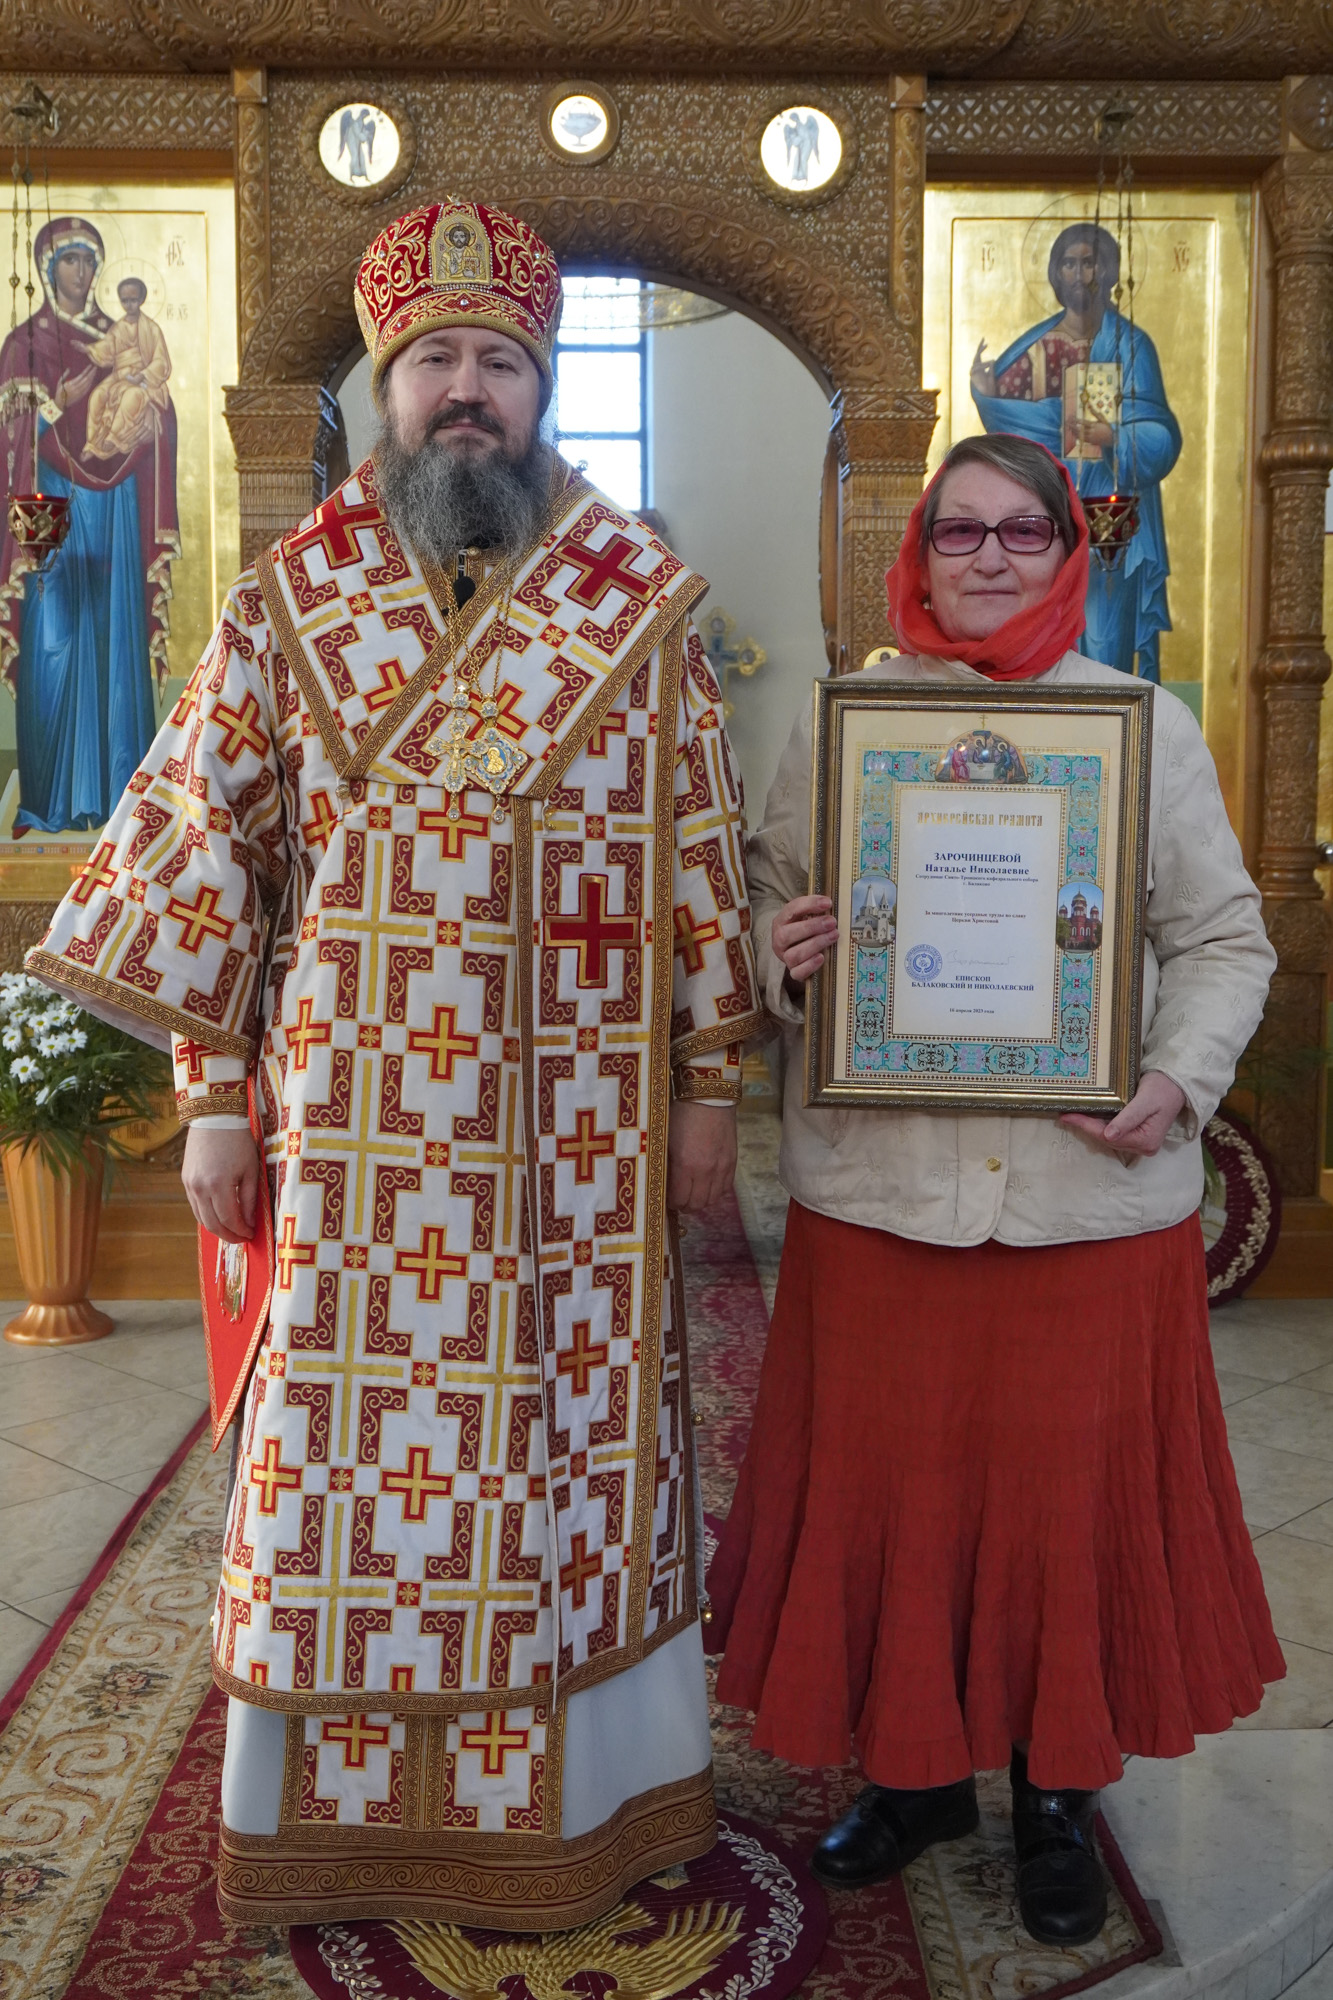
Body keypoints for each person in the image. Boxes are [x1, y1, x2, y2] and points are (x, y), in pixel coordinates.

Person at [29, 200, 761, 1929]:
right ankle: (330, 1824)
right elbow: (216, 854)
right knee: (341, 1469)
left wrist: (708, 1089)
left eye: (500, 360)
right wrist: (215, 1102)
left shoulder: (637, 608)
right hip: (350, 1124)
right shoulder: (287, 602)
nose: (466, 390)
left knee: (573, 1453)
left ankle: (593, 1799)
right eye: (435, 358)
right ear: (385, 385)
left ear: (541, 388)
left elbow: (700, 857)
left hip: (579, 1128)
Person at [708, 431, 1282, 1948]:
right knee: (894, 1498)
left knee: (1060, 1512)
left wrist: (1174, 1080)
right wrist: (783, 953)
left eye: (1020, 531)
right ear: (919, 552)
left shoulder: (1139, 727)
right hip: (882, 1200)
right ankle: (912, 1780)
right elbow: (763, 899)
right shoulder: (844, 723)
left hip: (1084, 1204)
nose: (985, 557)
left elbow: (1223, 938)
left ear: (1070, 551)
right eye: (956, 530)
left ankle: (1052, 1792)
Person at [0, 217, 180, 832]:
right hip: (50, 502)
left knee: (115, 633)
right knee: (53, 637)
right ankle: (49, 798)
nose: (80, 272)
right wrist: (62, 403)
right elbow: (12, 439)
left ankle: (120, 802)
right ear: (48, 269)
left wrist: (150, 411)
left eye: (87, 260)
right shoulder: (25, 342)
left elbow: (161, 406)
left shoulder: (122, 334)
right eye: (69, 260)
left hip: (116, 504)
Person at [970, 222, 1181, 683]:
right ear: (1055, 272)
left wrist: (1114, 437)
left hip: (1111, 523)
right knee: (1041, 637)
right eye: (1069, 263)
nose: (1080, 274)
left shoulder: (1131, 346)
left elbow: (1162, 437)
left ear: (1109, 271)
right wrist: (986, 394)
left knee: (1103, 639)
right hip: (1048, 515)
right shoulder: (1034, 348)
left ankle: (1109, 726)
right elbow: (1010, 431)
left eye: (1090, 263)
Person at [84, 277, 172, 461]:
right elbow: (107, 349)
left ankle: (113, 438)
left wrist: (143, 375)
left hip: (145, 379)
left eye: (133, 300)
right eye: (124, 300)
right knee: (97, 395)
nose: (129, 305)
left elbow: (161, 361)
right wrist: (89, 349)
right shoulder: (117, 328)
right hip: (119, 376)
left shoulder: (152, 329)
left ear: (141, 299)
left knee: (132, 396)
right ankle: (92, 443)